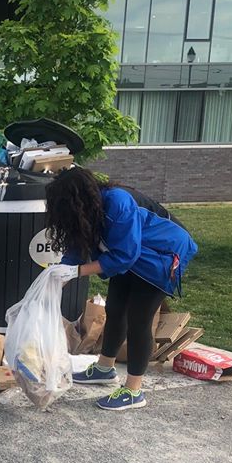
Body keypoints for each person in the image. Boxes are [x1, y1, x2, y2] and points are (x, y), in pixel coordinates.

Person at [45, 166, 197, 411]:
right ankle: (105, 368)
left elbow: (124, 255)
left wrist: (77, 271)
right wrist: (60, 271)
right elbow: (79, 246)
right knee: (115, 309)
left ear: (77, 200)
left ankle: (134, 391)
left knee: (139, 319)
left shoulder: (118, 203)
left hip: (162, 255)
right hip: (133, 255)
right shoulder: (90, 210)